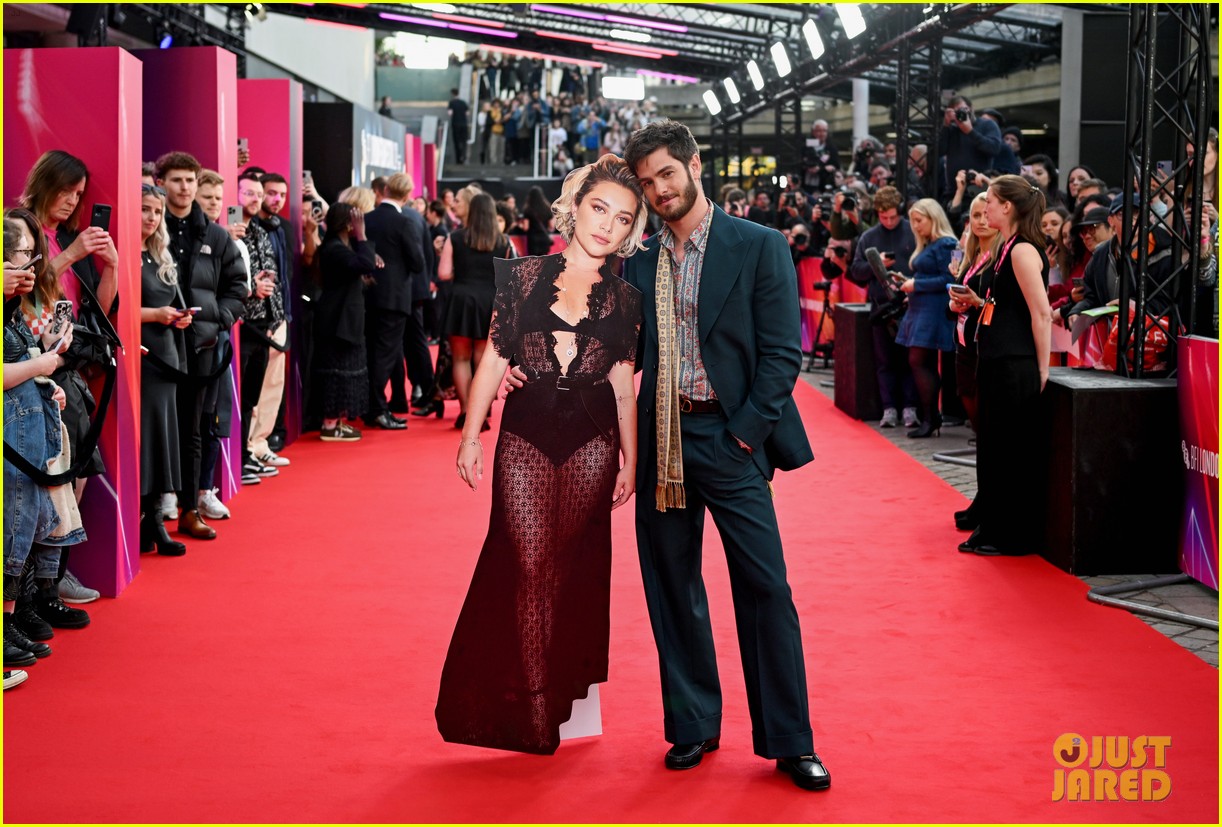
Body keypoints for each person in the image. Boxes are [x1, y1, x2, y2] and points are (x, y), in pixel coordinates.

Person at [615, 120, 827, 790]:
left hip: (730, 439)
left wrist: (744, 433)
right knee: (672, 589)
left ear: (694, 165)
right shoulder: (640, 260)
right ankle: (693, 724)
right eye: (646, 182)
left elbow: (782, 355)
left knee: (767, 587)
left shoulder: (759, 246)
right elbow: (623, 357)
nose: (658, 190)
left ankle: (791, 740)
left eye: (666, 175)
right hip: (662, 441)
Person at [436, 154, 646, 754]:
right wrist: (471, 434)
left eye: (622, 219)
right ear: (575, 207)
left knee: (561, 568)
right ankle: (530, 704)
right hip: (525, 435)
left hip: (593, 440)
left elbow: (622, 387)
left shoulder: (628, 301)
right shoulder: (521, 276)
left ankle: (553, 693)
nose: (607, 225)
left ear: (631, 231)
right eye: (599, 208)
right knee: (527, 564)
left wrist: (630, 459)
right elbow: (494, 360)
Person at [952, 175, 1051, 556]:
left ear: (1007, 207)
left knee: (1010, 453)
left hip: (1015, 365)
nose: (984, 209)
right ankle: (993, 528)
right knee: (993, 449)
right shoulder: (1005, 247)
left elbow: (1040, 313)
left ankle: (1012, 535)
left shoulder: (1023, 250)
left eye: (990, 201)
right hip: (995, 358)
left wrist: (1042, 369)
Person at [4, 209, 84, 667]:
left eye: (34, 256)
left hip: (28, 435)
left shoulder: (12, 308)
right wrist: (42, 368)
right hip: (12, 440)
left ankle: (11, 621)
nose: (31, 267)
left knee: (25, 526)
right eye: (22, 255)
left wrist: (43, 380)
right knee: (12, 529)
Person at [155, 151, 249, 535]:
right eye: (177, 180)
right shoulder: (150, 228)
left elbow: (237, 288)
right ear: (161, 182)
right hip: (157, 347)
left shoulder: (216, 235)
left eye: (190, 181)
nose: (185, 187)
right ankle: (159, 503)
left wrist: (218, 320)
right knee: (159, 427)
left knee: (194, 430)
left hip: (202, 347)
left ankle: (190, 507)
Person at [138, 185, 189, 556]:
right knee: (149, 440)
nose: (152, 217)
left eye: (156, 211)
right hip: (143, 359)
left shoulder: (159, 253)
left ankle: (155, 519)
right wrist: (155, 316)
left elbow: (172, 302)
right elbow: (114, 311)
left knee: (164, 438)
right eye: (144, 209)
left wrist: (178, 319)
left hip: (168, 355)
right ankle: (147, 521)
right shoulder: (123, 252)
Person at [437, 192, 512, 431]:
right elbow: (509, 277)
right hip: (490, 302)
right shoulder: (503, 241)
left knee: (460, 358)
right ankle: (481, 415)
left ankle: (466, 410)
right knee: (483, 360)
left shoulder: (456, 238)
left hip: (461, 300)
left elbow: (443, 274)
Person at [847, 186, 919, 428]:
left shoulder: (913, 230)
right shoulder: (868, 237)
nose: (889, 221)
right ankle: (888, 408)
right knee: (885, 360)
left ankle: (910, 408)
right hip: (880, 307)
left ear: (899, 211)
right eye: (883, 217)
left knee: (910, 360)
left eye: (892, 216)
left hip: (911, 305)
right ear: (877, 213)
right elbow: (854, 271)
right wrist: (875, 266)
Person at [948, 193, 997, 531]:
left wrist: (977, 303)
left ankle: (988, 501)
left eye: (984, 213)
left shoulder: (1002, 257)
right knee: (979, 429)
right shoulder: (972, 256)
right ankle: (983, 498)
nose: (979, 221)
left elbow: (999, 306)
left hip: (985, 350)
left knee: (988, 433)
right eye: (974, 215)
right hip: (964, 347)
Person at [363, 176, 426, 431]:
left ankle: (373, 407)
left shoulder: (367, 218)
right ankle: (377, 408)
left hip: (368, 295)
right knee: (385, 355)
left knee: (373, 352)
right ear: (408, 194)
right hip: (394, 297)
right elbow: (418, 263)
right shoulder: (404, 222)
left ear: (385, 190)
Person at [895, 199, 959, 437]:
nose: (915, 226)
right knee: (922, 362)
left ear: (934, 218)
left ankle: (931, 417)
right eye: (913, 221)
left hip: (932, 311)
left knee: (920, 362)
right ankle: (930, 417)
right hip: (921, 309)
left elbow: (949, 279)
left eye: (919, 220)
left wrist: (916, 284)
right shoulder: (934, 244)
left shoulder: (947, 244)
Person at [313, 203, 377, 442]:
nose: (360, 224)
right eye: (356, 220)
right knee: (337, 372)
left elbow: (361, 267)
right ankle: (329, 425)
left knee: (347, 371)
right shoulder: (333, 248)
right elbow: (363, 264)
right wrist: (362, 237)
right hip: (337, 322)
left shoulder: (340, 247)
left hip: (345, 320)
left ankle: (337, 421)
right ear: (347, 223)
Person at [523, 186, 553, 257]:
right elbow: (551, 226)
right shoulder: (547, 208)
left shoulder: (528, 209)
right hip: (544, 239)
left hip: (533, 240)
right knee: (543, 262)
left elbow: (525, 227)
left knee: (534, 263)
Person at [448, 88, 470, 165]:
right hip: (464, 124)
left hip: (456, 124)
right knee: (464, 141)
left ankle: (458, 158)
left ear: (452, 94)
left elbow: (450, 113)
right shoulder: (463, 102)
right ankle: (463, 156)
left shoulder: (452, 103)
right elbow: (467, 113)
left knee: (457, 142)